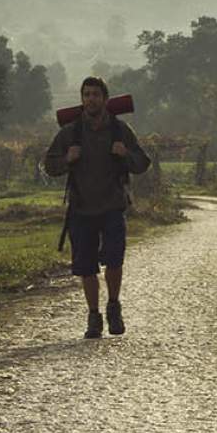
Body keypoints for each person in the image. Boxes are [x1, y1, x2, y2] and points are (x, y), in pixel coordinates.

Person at [43, 77, 151, 338]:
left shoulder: (120, 129)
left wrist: (125, 154)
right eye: (86, 95)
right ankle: (94, 317)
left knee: (115, 260)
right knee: (86, 266)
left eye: (95, 95)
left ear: (105, 99)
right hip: (81, 208)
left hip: (113, 206)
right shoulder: (70, 133)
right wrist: (67, 160)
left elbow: (142, 162)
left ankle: (113, 306)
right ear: (82, 99)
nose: (90, 99)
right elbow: (49, 165)